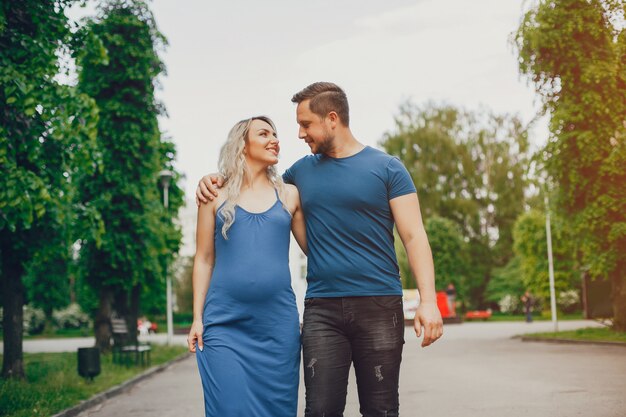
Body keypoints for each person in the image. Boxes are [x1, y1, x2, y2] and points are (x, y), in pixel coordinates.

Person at [197, 82, 443, 417]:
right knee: (320, 411)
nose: (299, 134)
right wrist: (214, 178)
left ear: (331, 119)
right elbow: (253, 187)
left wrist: (428, 301)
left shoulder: (388, 169)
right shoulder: (299, 175)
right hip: (322, 309)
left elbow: (414, 236)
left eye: (305, 124)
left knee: (381, 409)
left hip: (379, 304)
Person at [187, 116, 307, 417]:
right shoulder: (214, 194)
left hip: (278, 326)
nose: (274, 139)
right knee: (230, 408)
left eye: (276, 134)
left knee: (278, 411)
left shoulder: (289, 194)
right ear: (242, 143)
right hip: (225, 324)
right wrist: (197, 318)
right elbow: (203, 258)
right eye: (264, 133)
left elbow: (316, 251)